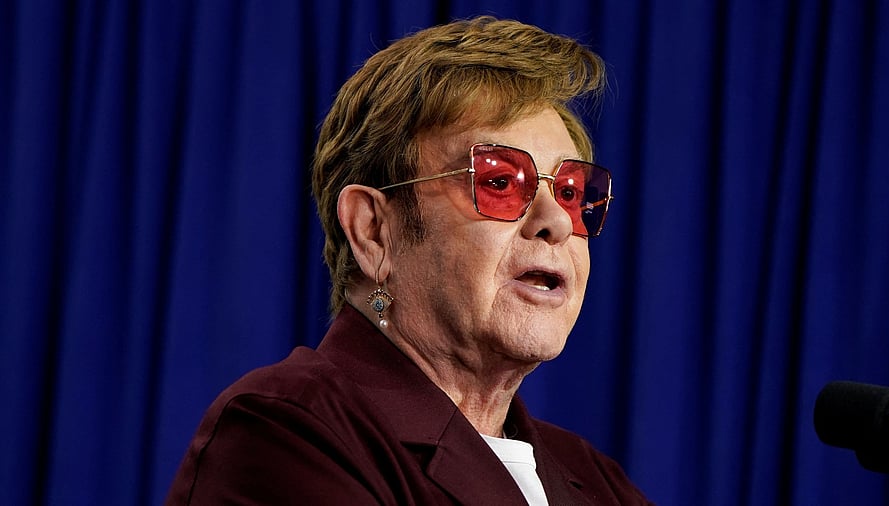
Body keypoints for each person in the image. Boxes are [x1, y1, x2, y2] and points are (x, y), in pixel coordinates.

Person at [166, 16, 651, 505]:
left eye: (569, 192)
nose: (559, 223)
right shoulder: (286, 431)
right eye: (501, 182)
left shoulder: (593, 478)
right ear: (374, 231)